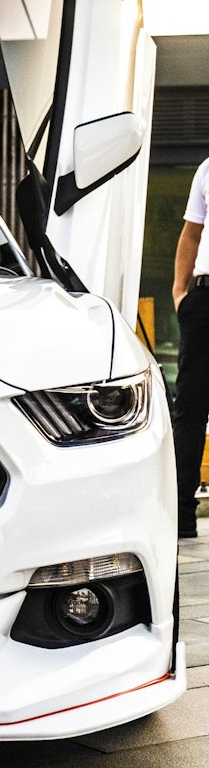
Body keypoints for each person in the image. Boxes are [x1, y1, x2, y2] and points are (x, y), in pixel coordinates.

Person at [172, 157, 209, 539]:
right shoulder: (206, 169)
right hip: (203, 299)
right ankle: (183, 513)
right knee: (190, 408)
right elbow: (191, 234)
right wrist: (180, 291)